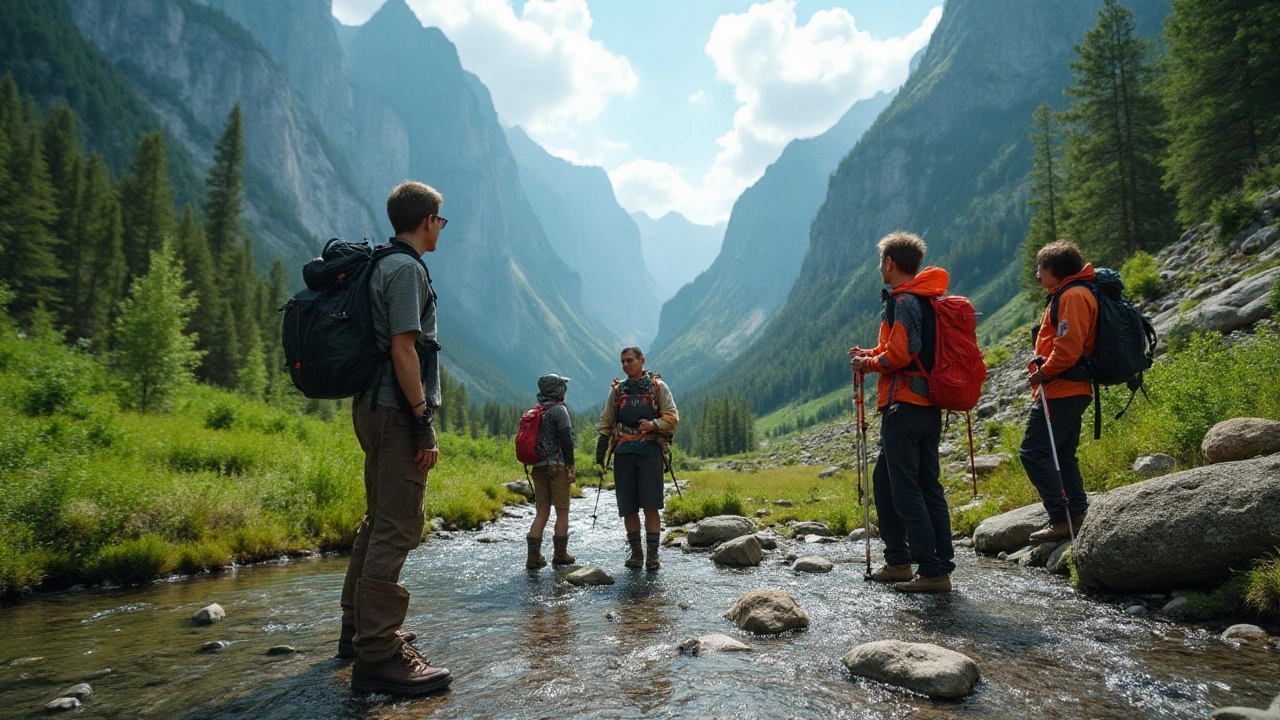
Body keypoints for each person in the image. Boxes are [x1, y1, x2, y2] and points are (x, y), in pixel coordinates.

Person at [338, 181, 452, 696]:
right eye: (441, 220)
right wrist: (422, 419)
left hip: (372, 406)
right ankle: (379, 656)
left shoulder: (381, 264)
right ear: (427, 220)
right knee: (399, 525)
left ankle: (358, 633)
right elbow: (405, 350)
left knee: (378, 519)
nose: (441, 229)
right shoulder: (406, 269)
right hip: (395, 410)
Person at [849, 231, 955, 593]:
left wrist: (867, 363)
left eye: (881, 262)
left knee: (907, 488)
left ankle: (931, 569)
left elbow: (900, 354)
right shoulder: (925, 298)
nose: (880, 267)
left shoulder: (903, 300)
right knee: (899, 482)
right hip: (927, 407)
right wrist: (872, 353)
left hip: (904, 406)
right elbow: (903, 347)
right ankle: (900, 561)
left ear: (890, 263)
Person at [1021, 239, 1097, 543]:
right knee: (1062, 453)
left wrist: (1042, 374)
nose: (1038, 275)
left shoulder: (1073, 296)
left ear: (1053, 269)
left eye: (1040, 268)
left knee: (1033, 452)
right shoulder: (1069, 293)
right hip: (1067, 388)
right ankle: (1076, 513)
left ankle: (1059, 516)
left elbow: (1068, 348)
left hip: (1062, 387)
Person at [595, 347, 678, 571]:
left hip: (651, 452)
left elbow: (672, 417)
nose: (625, 365)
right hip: (623, 454)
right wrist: (599, 458)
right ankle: (636, 554)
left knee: (651, 505)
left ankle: (653, 556)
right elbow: (605, 423)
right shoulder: (617, 390)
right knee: (628, 508)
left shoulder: (658, 387)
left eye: (629, 360)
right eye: (622, 362)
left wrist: (654, 425)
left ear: (642, 361)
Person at [526, 373, 577, 569]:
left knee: (542, 512)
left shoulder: (537, 411)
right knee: (562, 511)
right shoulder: (559, 411)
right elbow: (567, 441)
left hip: (537, 467)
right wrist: (570, 467)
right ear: (557, 390)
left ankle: (533, 558)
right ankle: (560, 555)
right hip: (557, 466)